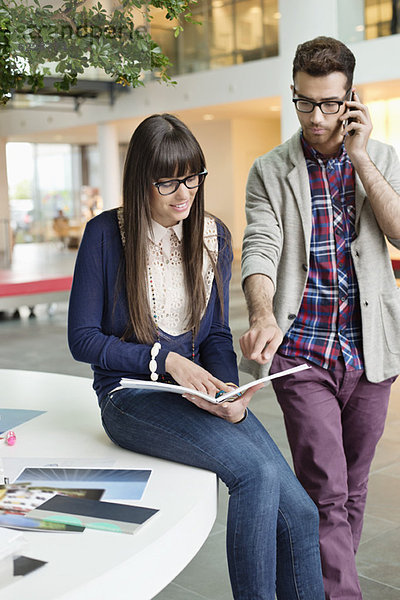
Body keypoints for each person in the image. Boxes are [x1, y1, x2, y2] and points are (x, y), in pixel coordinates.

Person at [68, 113, 324, 600]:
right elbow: (82, 339)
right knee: (255, 475)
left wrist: (229, 389)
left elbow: (217, 337)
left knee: (302, 514)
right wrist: (163, 359)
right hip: (131, 395)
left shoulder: (213, 236)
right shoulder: (106, 235)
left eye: (192, 177)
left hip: (198, 389)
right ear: (141, 180)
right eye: (168, 183)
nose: (184, 193)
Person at [240, 36, 400, 599]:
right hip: (302, 352)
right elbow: (259, 246)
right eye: (304, 102)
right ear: (294, 94)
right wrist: (261, 313)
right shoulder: (270, 171)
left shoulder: (381, 160)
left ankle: (310, 587)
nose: (315, 116)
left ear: (351, 99)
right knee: (327, 491)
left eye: (329, 103)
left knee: (353, 490)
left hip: (371, 353)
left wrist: (360, 156)